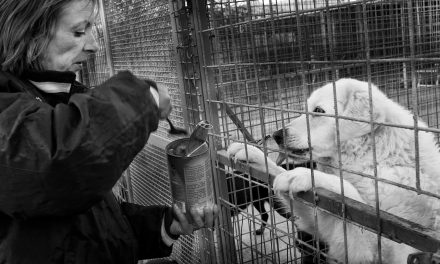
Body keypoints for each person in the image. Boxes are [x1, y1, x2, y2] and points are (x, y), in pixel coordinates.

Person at [0, 0, 219, 263]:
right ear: (26, 31)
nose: (93, 46)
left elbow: (89, 228)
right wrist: (141, 98)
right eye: (79, 32)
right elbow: (57, 166)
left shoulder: (60, 102)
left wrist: (165, 224)